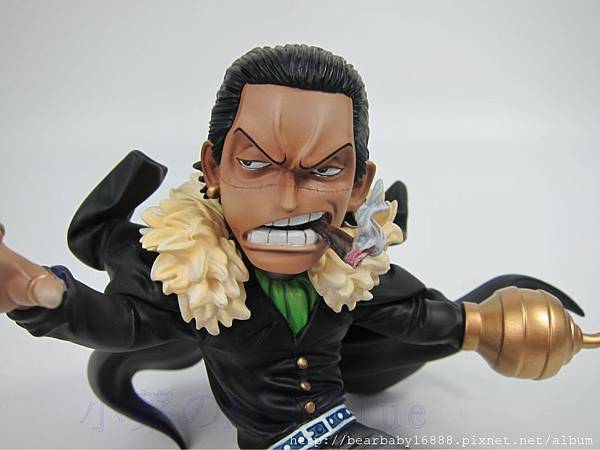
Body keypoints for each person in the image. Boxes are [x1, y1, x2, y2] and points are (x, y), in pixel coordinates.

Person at [1, 44, 596, 449]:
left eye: (325, 170)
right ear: (213, 167)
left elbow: (412, 315)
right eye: (255, 164)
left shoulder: (348, 267)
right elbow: (123, 323)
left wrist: (493, 327)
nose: (288, 201)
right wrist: (41, 295)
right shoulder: (195, 279)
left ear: (359, 184)